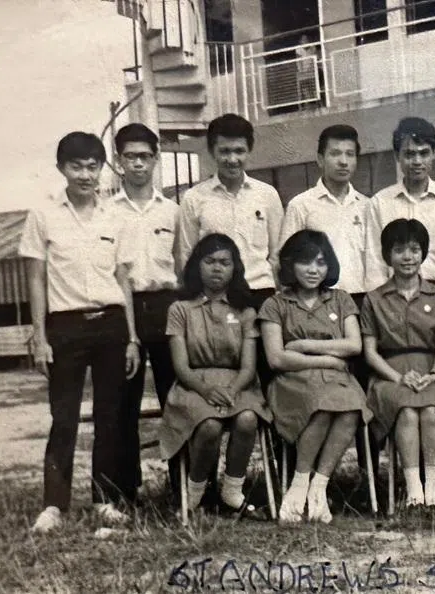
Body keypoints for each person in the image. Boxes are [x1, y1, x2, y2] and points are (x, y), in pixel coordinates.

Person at [20, 132, 142, 533]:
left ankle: (104, 500)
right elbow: (35, 279)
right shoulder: (43, 215)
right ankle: (54, 504)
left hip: (110, 324)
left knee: (110, 416)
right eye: (76, 167)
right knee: (64, 417)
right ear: (61, 169)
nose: (86, 175)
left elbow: (123, 279)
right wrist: (39, 336)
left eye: (93, 167)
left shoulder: (115, 216)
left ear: (102, 168)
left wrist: (132, 337)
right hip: (65, 326)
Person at [259, 230, 372, 524]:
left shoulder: (341, 299)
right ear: (290, 264)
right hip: (293, 382)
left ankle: (318, 487)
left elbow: (354, 345)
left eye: (321, 263)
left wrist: (303, 345)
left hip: (337, 380)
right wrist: (328, 360)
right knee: (321, 405)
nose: (313, 270)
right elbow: (276, 358)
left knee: (351, 407)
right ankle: (299, 485)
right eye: (306, 262)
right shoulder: (275, 305)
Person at [157, 234, 271, 513]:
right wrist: (207, 390)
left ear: (235, 268)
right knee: (209, 425)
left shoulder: (245, 311)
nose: (217, 268)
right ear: (197, 265)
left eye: (224, 262)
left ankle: (232, 489)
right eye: (209, 261)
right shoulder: (180, 309)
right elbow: (181, 367)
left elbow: (248, 367)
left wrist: (231, 391)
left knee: (247, 419)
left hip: (238, 384)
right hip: (194, 385)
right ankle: (194, 492)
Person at [360, 219, 435, 508]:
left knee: (431, 411)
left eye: (414, 249)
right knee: (407, 412)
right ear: (387, 255)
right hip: (390, 374)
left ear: (423, 253)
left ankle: (433, 492)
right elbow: (370, 352)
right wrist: (398, 378)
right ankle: (413, 491)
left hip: (432, 373)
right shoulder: (374, 299)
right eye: (399, 250)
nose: (408, 257)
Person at [111, 123, 180, 497]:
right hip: (125, 308)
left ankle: (184, 487)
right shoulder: (107, 212)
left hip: (167, 306)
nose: (138, 164)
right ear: (118, 161)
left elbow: (183, 265)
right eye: (130, 157)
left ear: (156, 159)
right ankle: (126, 491)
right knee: (125, 402)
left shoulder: (172, 211)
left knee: (176, 399)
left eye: (145, 156)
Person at [177, 113, 283, 309]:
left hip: (261, 293)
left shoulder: (268, 195)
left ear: (249, 150)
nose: (232, 159)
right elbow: (187, 255)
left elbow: (277, 254)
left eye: (239, 151)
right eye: (224, 151)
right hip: (215, 297)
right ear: (212, 151)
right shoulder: (193, 198)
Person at [364, 117, 435, 292]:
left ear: (434, 153)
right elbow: (375, 266)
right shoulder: (379, 203)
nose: (417, 161)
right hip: (397, 295)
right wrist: (382, 303)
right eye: (409, 154)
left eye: (424, 153)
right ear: (397, 156)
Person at [280, 125, 369, 301]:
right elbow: (285, 261)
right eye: (335, 154)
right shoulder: (301, 205)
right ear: (320, 159)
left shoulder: (367, 206)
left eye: (350, 154)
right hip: (318, 302)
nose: (343, 161)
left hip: (361, 298)